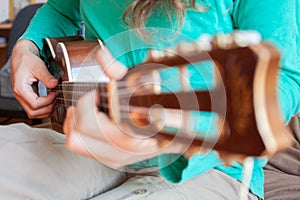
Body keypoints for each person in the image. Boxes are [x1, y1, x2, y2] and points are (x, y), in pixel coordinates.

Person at [1, 0, 299, 199]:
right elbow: (62, 9)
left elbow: (285, 79)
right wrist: (26, 48)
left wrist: (184, 131)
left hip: (210, 166)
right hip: (92, 145)